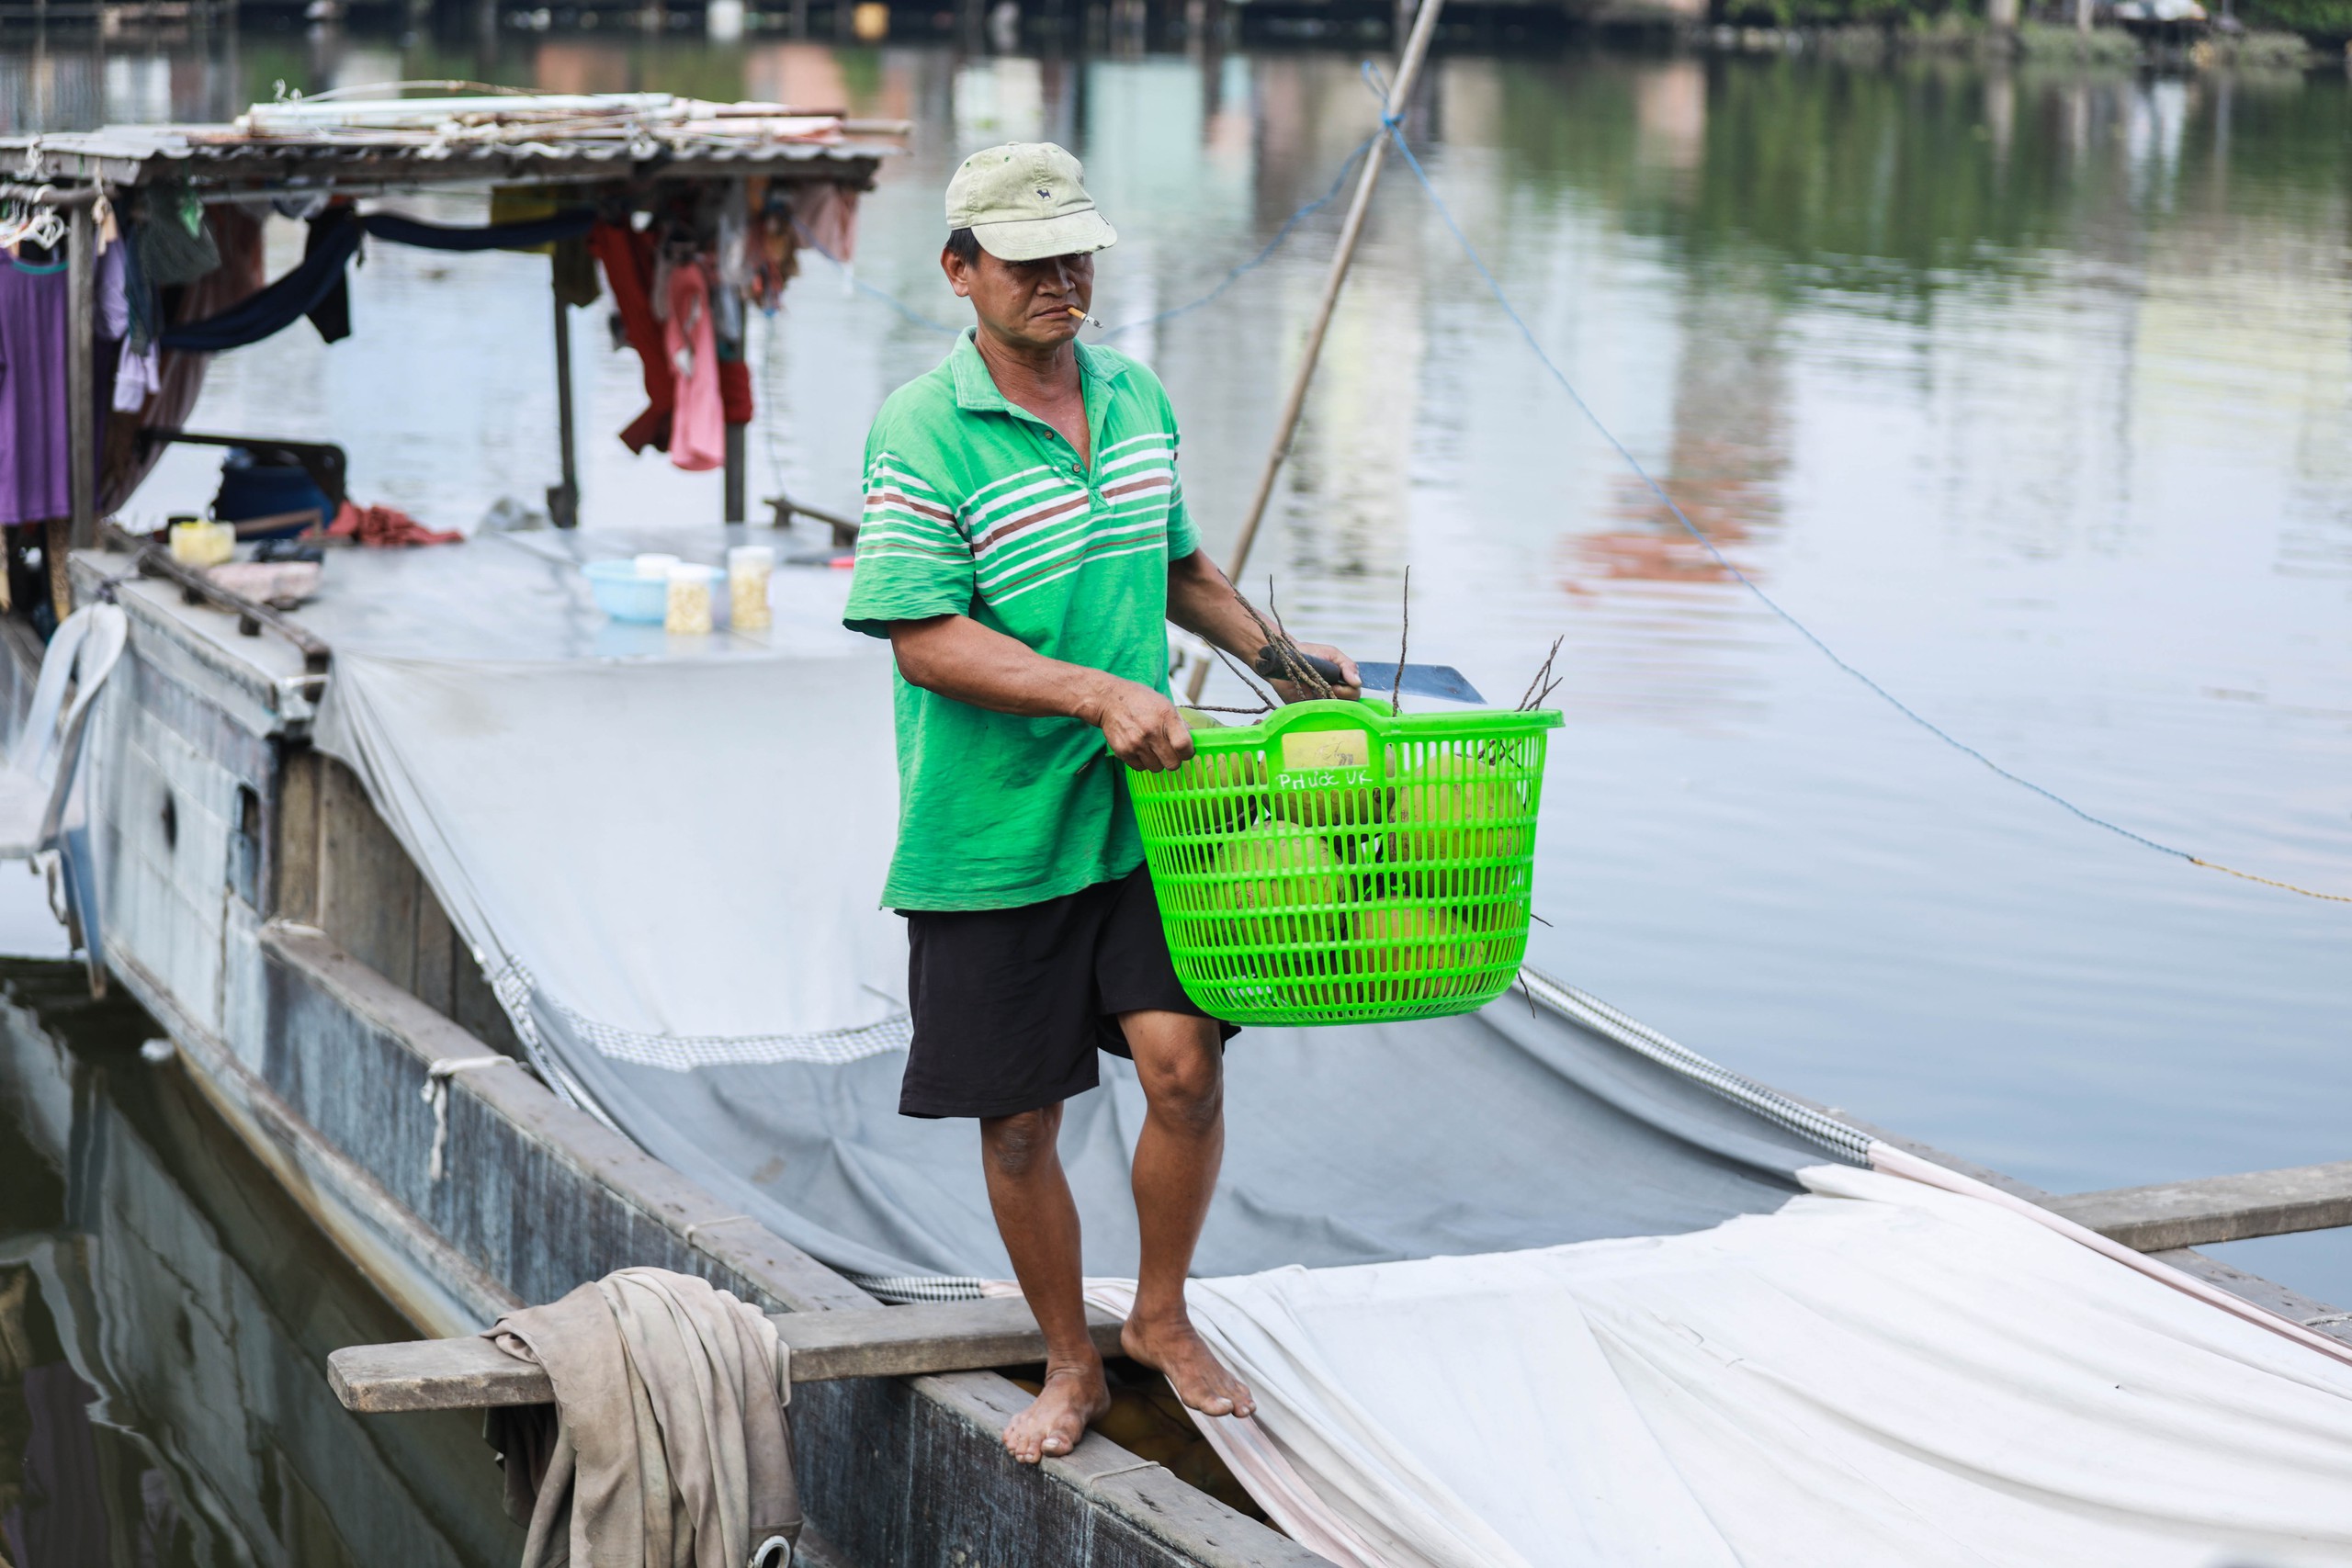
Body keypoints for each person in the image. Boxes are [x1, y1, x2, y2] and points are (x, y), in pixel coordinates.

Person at [842, 142, 1361, 1465]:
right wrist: (1095, 692)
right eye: (1028, 262)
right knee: (1021, 1124)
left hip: (1148, 811)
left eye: (1076, 256)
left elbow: (1176, 566)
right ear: (960, 271)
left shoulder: (1135, 396)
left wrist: (1283, 663)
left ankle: (1162, 1317)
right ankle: (1070, 1361)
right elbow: (921, 636)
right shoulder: (922, 428)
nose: (1060, 282)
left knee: (1185, 1066)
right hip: (992, 827)